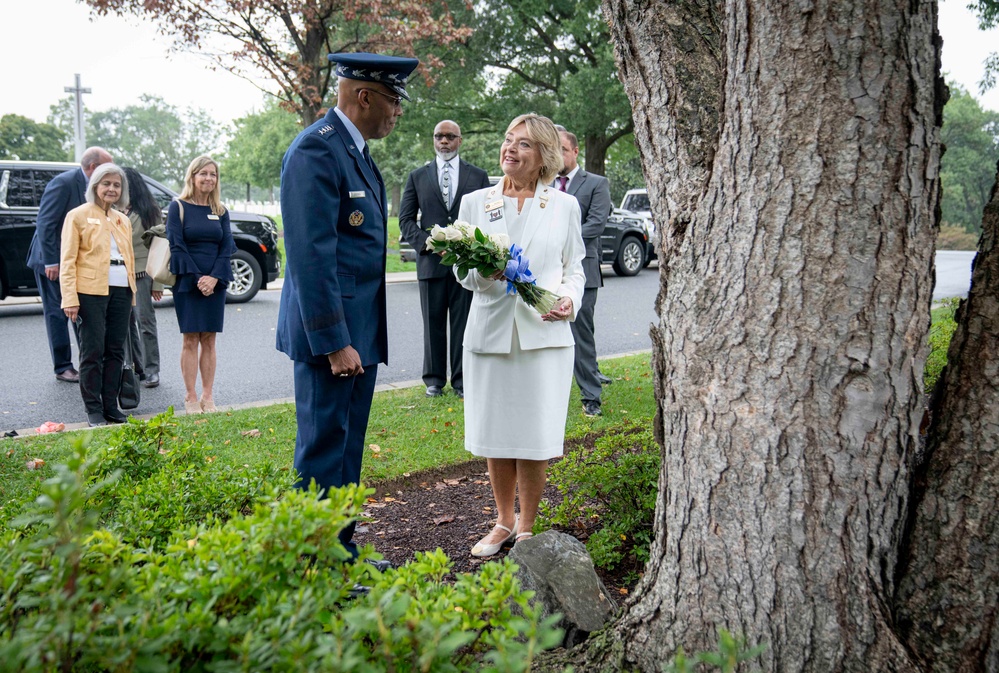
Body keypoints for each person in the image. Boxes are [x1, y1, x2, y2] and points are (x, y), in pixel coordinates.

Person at [276, 52, 419, 560]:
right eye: (393, 100)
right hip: (331, 339)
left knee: (346, 447)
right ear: (364, 96)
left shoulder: (350, 150)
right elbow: (310, 258)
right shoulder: (316, 151)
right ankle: (313, 566)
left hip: (356, 333)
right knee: (321, 451)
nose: (397, 112)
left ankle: (339, 550)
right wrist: (336, 343)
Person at [455, 113, 585, 556]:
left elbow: (575, 268)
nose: (510, 148)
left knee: (534, 434)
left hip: (544, 338)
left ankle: (527, 526)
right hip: (491, 333)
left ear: (545, 155)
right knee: (496, 432)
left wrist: (568, 299)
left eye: (524, 144)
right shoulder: (476, 202)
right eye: (508, 139)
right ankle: (502, 522)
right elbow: (462, 273)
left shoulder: (564, 206)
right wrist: (483, 273)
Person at [399, 120, 491, 398]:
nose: (444, 142)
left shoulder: (478, 176)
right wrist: (428, 244)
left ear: (460, 140)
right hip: (431, 264)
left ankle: (462, 380)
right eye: (439, 136)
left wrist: (474, 247)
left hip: (467, 264)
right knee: (433, 323)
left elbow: (488, 216)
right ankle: (434, 380)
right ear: (433, 139)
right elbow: (405, 220)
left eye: (450, 137)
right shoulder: (417, 176)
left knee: (464, 324)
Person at [27, 147, 113, 383]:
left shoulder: (95, 187)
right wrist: (52, 261)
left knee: (81, 311)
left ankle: (89, 362)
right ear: (94, 167)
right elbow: (45, 223)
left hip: (77, 261)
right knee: (58, 313)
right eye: (107, 166)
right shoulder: (63, 183)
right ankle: (63, 366)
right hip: (52, 261)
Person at [59, 163, 135, 428]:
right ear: (95, 186)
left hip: (121, 290)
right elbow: (67, 260)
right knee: (92, 351)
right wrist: (69, 297)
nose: (112, 189)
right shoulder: (77, 215)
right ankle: (93, 410)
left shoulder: (121, 219)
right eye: (107, 183)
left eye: (116, 185)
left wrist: (132, 293)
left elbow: (129, 258)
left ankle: (110, 406)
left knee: (115, 350)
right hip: (89, 292)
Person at [166, 156, 236, 415]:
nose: (208, 178)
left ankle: (208, 395)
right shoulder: (178, 207)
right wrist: (198, 279)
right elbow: (176, 245)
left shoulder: (221, 210)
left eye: (213, 174)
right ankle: (190, 395)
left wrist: (214, 278)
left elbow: (227, 246)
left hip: (215, 282)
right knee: (190, 338)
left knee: (209, 338)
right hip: (188, 279)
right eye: (203, 173)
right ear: (192, 177)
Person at [554, 126, 613, 417]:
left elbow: (597, 224)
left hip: (583, 270)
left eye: (563, 149)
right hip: (547, 272)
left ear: (575, 151)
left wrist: (558, 239)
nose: (558, 155)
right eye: (554, 149)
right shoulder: (544, 184)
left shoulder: (596, 183)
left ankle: (591, 397)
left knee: (581, 333)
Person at [123, 167, 164, 389]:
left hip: (143, 275)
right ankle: (134, 368)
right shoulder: (112, 209)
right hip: (119, 276)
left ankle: (152, 370)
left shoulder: (149, 210)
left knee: (145, 323)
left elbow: (159, 247)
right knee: (124, 327)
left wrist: (157, 282)